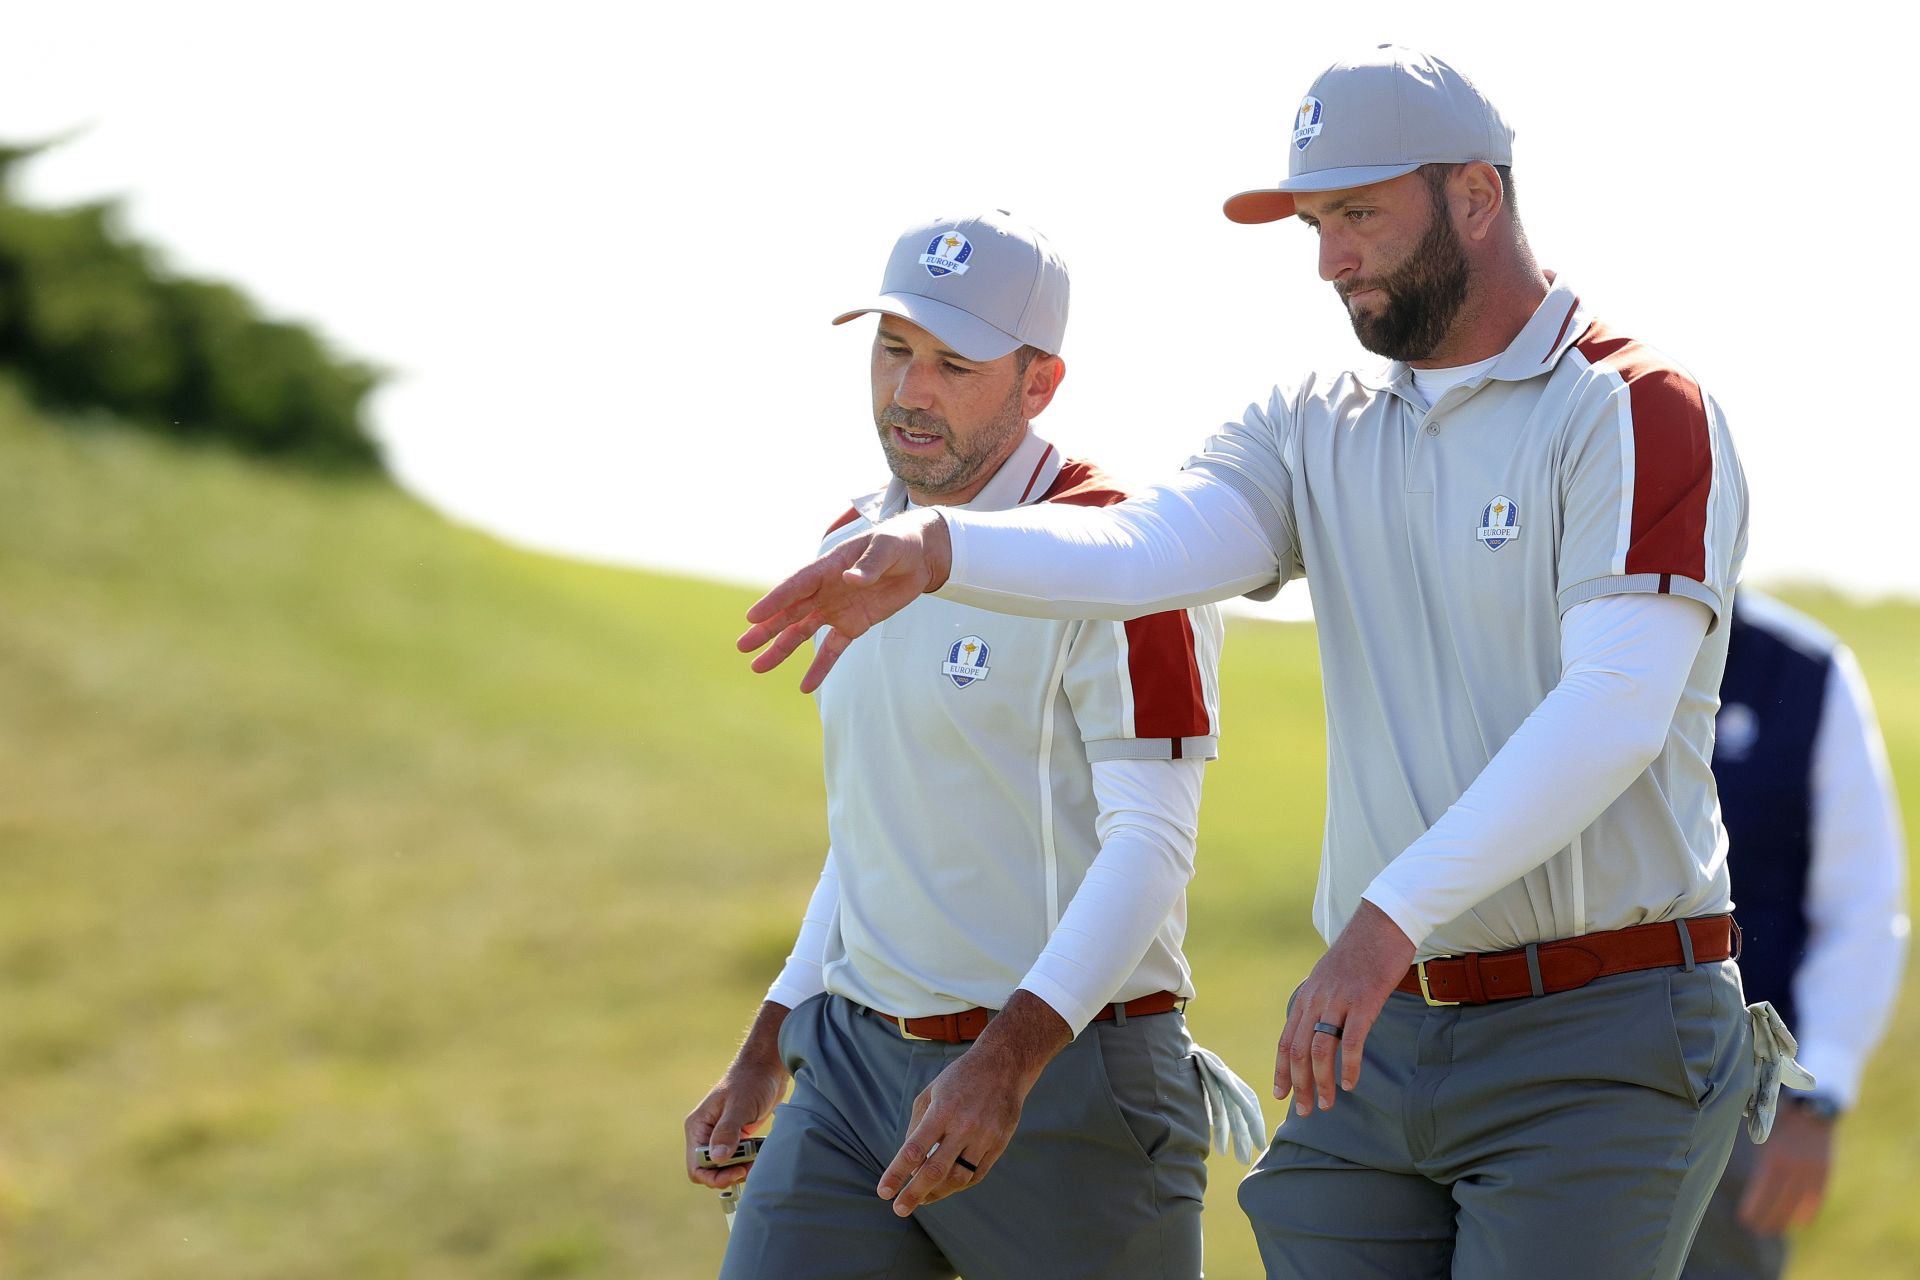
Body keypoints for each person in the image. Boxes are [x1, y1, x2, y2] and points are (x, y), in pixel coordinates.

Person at [738, 46, 1796, 1280]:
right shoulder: (1311, 421)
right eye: (1314, 222)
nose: (1330, 258)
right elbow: (1149, 546)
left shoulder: (1634, 407)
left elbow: (1614, 712)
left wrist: (1383, 917)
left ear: (1474, 195)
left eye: (1358, 214)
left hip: (1603, 1030)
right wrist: (936, 542)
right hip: (1383, 1034)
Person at [686, 209, 1262, 1280]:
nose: (910, 392)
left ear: (1039, 383)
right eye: (894, 349)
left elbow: (1152, 845)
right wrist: (772, 1031)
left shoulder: (1126, 555)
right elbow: (875, 827)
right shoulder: (849, 541)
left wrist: (1005, 1063)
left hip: (1069, 1081)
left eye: (955, 364)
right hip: (854, 1073)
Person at [1681, 591, 1908, 1279]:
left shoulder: (1803, 670)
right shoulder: (1556, 644)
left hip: (1737, 1109)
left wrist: (1817, 1094)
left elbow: (1861, 905)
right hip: (1559, 1085)